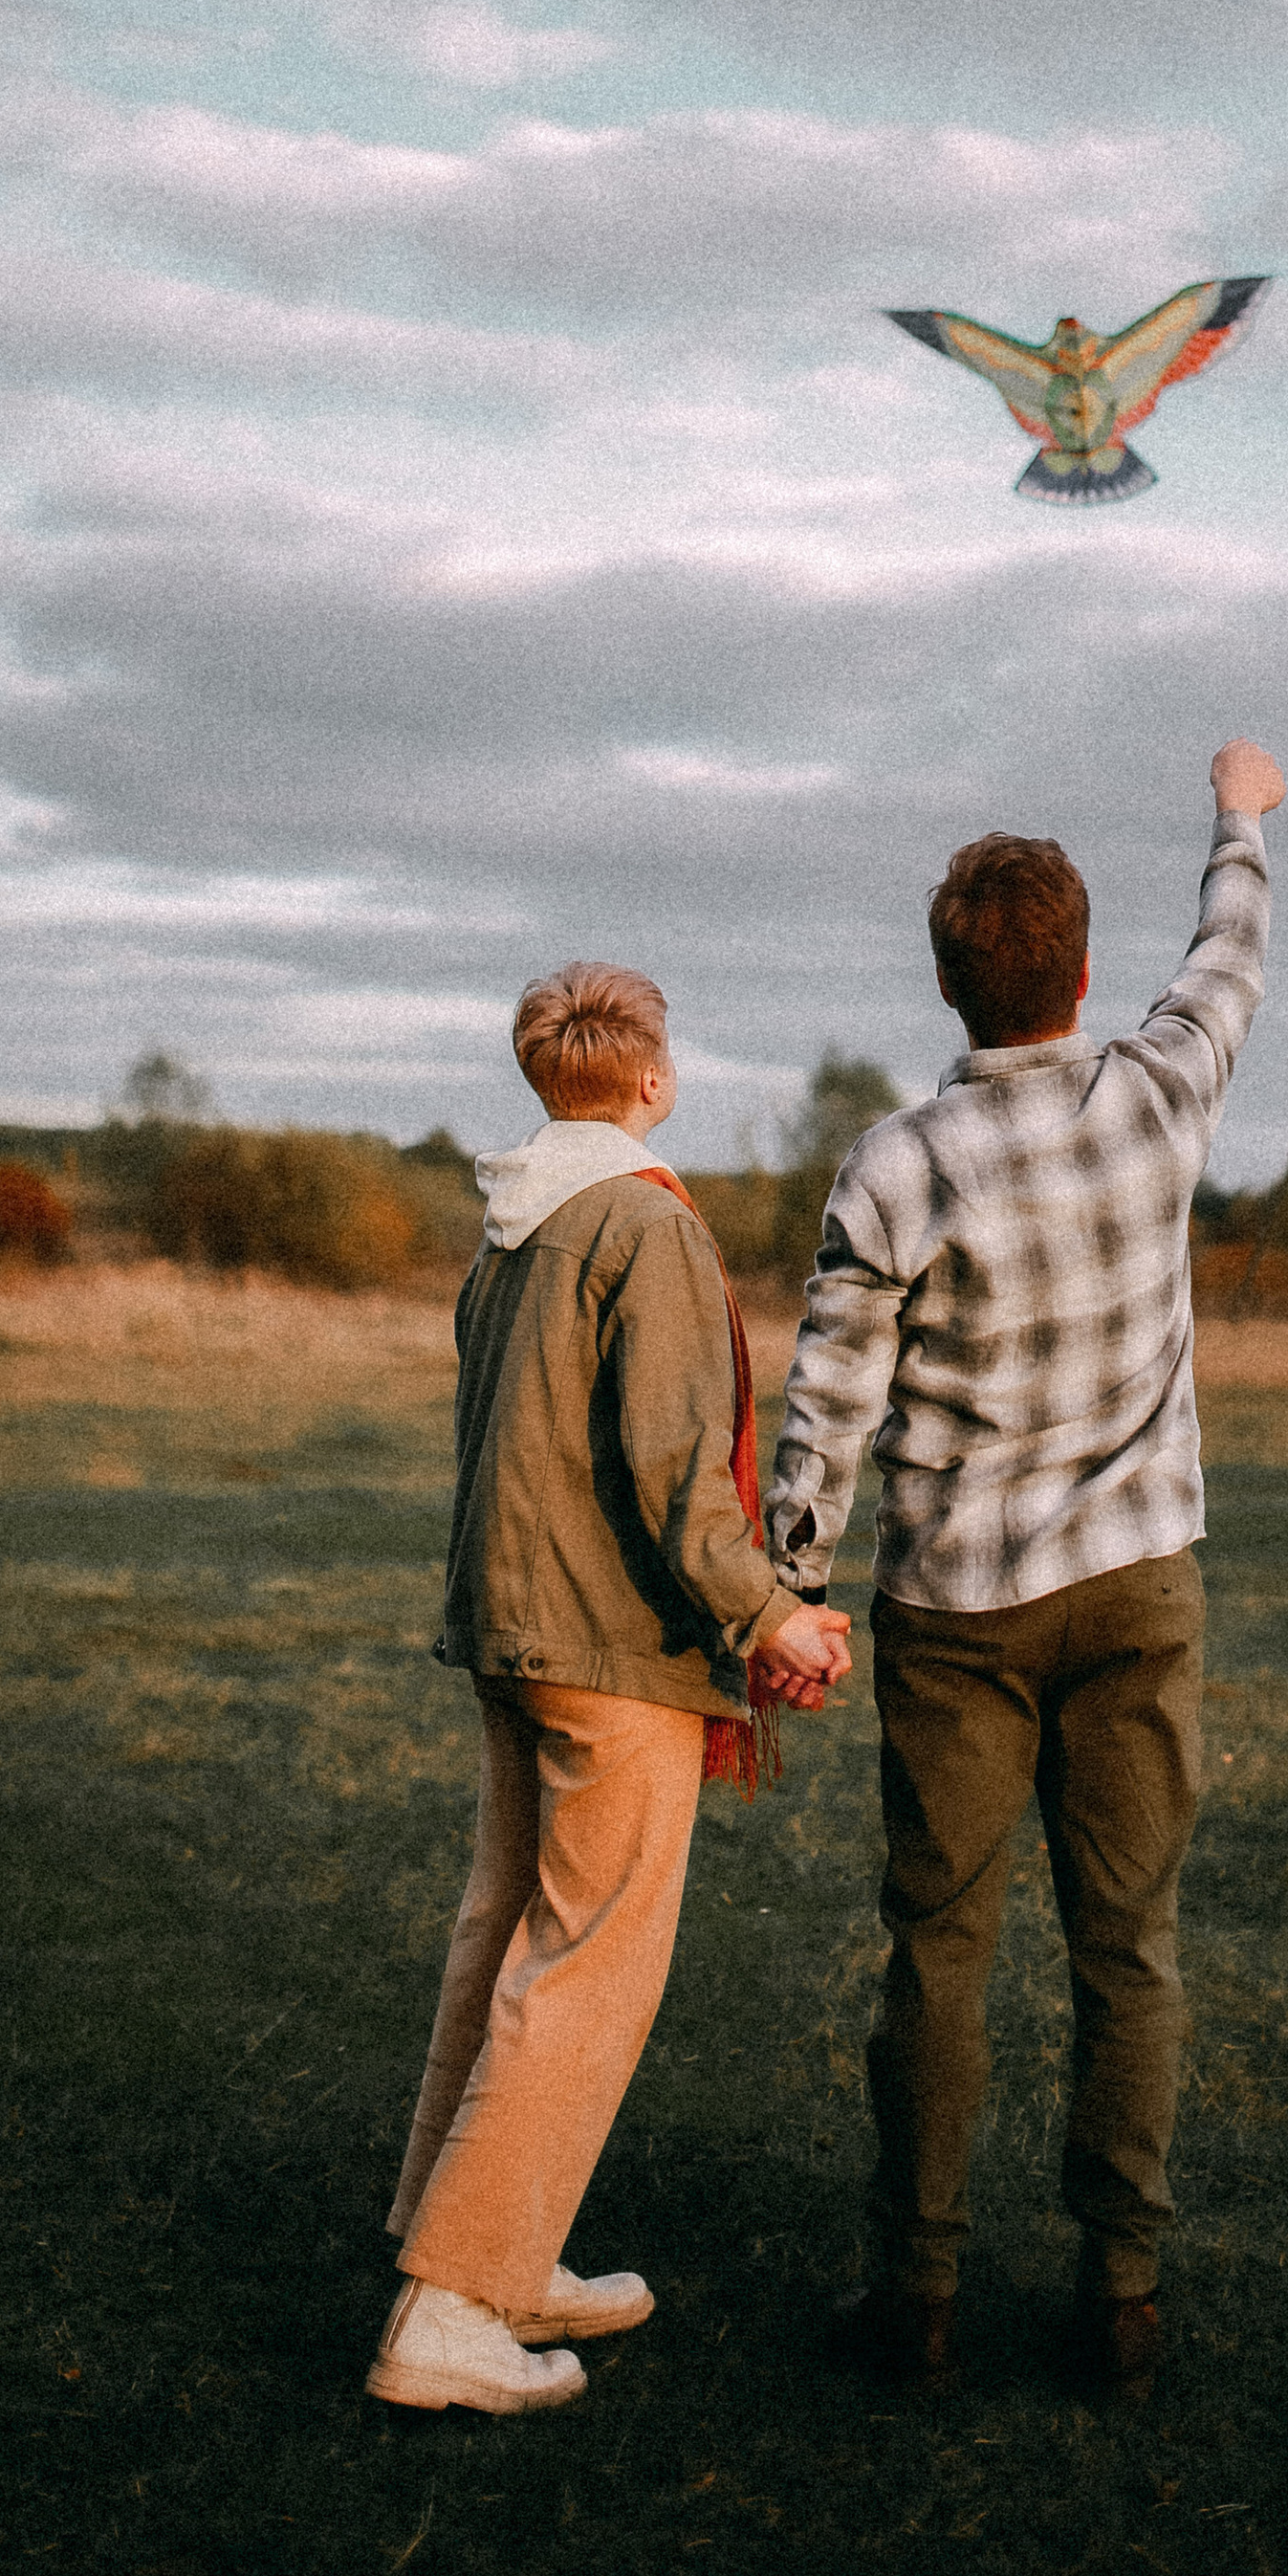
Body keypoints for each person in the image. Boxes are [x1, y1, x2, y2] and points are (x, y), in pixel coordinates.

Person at [765, 738, 1283, 2400]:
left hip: (956, 1614)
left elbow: (828, 1400)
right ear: (1076, 972)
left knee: (940, 1949)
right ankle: (1120, 2301)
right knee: (1127, 1949)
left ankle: (912, 2304)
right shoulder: (1155, 1090)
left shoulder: (894, 1163)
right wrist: (1240, 813)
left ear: (949, 984)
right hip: (1140, 1586)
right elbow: (1229, 955)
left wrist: (791, 1581)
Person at [371, 961, 852, 2418]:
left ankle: (482, 2246)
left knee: (507, 1931)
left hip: (513, 1632)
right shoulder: (643, 1218)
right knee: (585, 1969)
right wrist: (774, 1618)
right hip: (606, 1650)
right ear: (653, 1078)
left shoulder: (511, 1225)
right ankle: (449, 2309)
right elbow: (671, 1465)